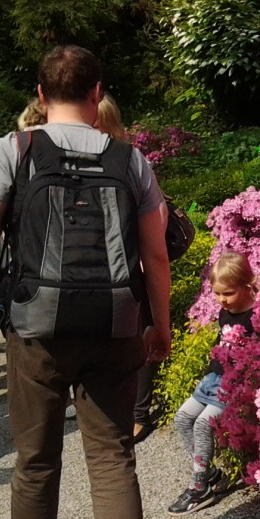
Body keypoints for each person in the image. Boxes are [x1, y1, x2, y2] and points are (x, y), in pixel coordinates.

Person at [0, 44, 171, 519]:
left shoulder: (16, 149)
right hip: (115, 327)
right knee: (111, 457)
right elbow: (155, 252)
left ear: (39, 91)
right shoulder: (130, 160)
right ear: (96, 92)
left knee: (35, 457)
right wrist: (161, 325)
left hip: (36, 330)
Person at [169, 251, 256, 516]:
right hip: (213, 379)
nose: (221, 300)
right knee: (182, 418)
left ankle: (199, 487)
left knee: (203, 424)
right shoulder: (224, 313)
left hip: (234, 384)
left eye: (227, 293)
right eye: (217, 294)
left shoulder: (256, 317)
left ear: (246, 285)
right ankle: (211, 473)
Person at [95, 94, 152, 440]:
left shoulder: (127, 160)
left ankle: (139, 412)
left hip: (130, 266)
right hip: (108, 269)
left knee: (136, 337)